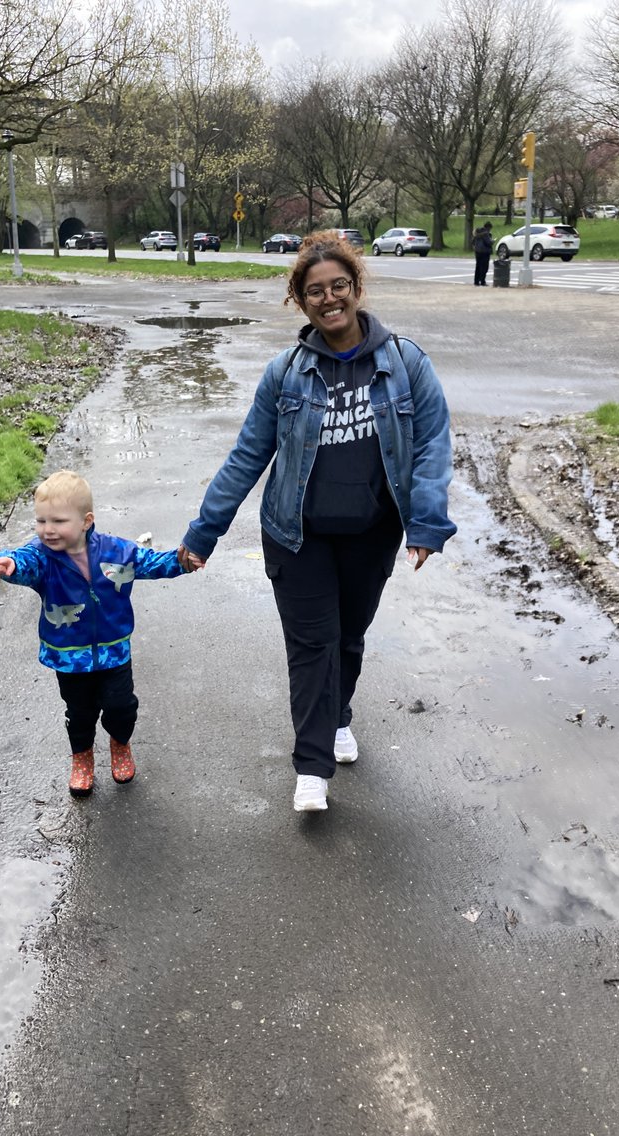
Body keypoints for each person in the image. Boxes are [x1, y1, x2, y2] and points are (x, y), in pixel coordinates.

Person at [178, 230, 456, 813]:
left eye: (338, 287)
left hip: (371, 532)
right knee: (312, 644)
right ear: (299, 302)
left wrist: (427, 523)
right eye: (314, 292)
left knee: (348, 639)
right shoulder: (285, 374)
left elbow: (431, 443)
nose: (329, 299)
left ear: (356, 288)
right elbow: (248, 456)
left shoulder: (406, 363)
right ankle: (311, 766)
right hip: (294, 534)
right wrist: (205, 531)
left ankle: (338, 717)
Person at [0, 470, 197, 797]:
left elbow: (151, 562)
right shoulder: (42, 557)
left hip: (114, 652)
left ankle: (120, 742)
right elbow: (25, 560)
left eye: (58, 521)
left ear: (86, 521)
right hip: (69, 657)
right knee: (80, 712)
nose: (48, 530)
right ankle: (82, 757)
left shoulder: (116, 552)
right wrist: (11, 567)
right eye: (41, 521)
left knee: (121, 707)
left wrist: (182, 562)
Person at [473, 221, 493, 286]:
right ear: (488, 227)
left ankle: (476, 281)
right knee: (484, 267)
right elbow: (488, 242)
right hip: (485, 252)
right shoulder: (486, 233)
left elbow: (472, 242)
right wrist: (492, 241)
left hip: (477, 252)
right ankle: (482, 281)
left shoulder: (477, 233)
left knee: (478, 266)